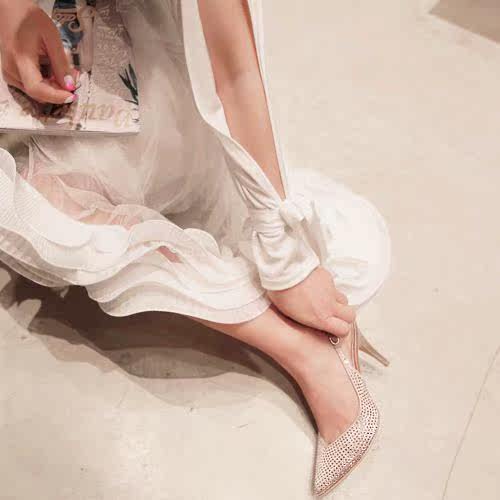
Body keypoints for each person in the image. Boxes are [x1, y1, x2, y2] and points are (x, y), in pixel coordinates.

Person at [0, 0, 391, 495]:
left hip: (145, 69)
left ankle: (302, 348)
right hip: (64, 51)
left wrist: (285, 257)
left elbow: (237, 73)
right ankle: (302, 341)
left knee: (39, 210)